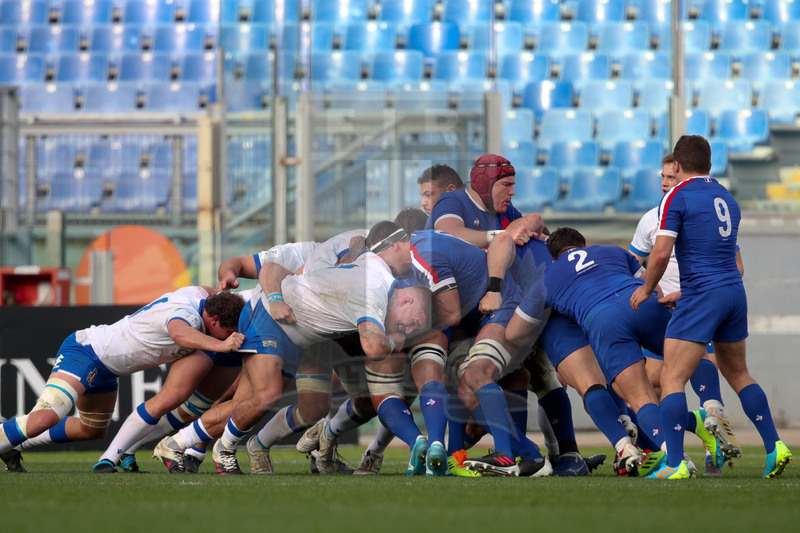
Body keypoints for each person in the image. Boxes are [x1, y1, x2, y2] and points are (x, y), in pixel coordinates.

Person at [155, 250, 431, 475]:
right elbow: (271, 268)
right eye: (412, 322)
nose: (409, 328)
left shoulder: (373, 265)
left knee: (284, 405)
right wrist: (275, 299)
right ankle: (223, 449)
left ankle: (177, 443)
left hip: (306, 338)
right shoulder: (362, 280)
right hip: (271, 319)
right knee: (265, 396)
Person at [630, 134, 792, 479]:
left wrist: (647, 289)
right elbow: (735, 262)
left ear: (676, 165)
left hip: (701, 295)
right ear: (710, 164)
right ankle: (775, 447)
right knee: (738, 373)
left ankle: (675, 465)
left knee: (672, 379)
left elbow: (659, 253)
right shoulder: (727, 198)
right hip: (733, 293)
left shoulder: (676, 196)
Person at [0, 288, 246, 470]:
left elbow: (212, 291)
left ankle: (14, 444)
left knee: (91, 430)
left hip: (107, 370)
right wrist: (221, 345)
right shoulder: (189, 318)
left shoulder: (197, 295)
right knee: (44, 418)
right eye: (227, 332)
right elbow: (179, 333)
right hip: (85, 351)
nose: (229, 338)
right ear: (213, 320)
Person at [629, 152, 739, 477]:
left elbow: (732, 262)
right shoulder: (651, 218)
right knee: (655, 382)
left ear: (684, 176)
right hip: (663, 311)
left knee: (687, 376)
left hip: (694, 305)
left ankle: (703, 453)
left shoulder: (700, 211)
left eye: (670, 177)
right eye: (662, 177)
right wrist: (643, 289)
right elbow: (633, 261)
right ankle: (704, 428)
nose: (665, 182)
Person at [425, 154, 542, 248]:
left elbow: (525, 234)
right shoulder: (452, 200)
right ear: (484, 184)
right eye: (506, 185)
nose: (512, 192)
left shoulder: (508, 210)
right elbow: (449, 235)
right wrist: (502, 236)